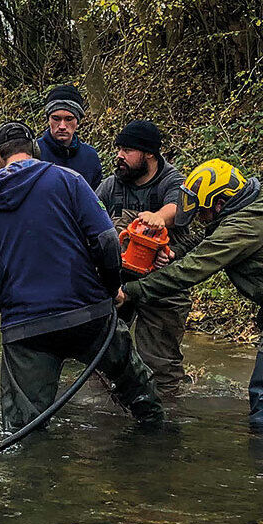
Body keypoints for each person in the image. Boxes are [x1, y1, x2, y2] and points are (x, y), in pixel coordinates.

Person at [120, 159, 263, 429]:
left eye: (203, 211)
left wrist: (130, 291)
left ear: (220, 202)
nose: (199, 216)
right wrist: (172, 255)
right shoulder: (257, 208)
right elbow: (205, 244)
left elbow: (195, 269)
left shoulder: (244, 224)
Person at [0, 121, 164, 432]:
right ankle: (159, 449)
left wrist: (13, 302)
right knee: (138, 390)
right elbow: (106, 241)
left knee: (25, 429)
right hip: (87, 311)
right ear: (35, 150)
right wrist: (111, 286)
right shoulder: (68, 179)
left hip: (25, 328)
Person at [94, 120, 195, 396]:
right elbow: (88, 217)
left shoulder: (173, 181)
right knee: (103, 358)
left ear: (149, 153)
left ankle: (163, 425)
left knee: (161, 367)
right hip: (117, 280)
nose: (119, 156)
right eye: (119, 149)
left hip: (163, 283)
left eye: (127, 150)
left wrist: (158, 218)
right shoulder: (111, 185)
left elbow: (178, 208)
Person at [33, 84, 103, 188]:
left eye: (69, 119)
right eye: (56, 119)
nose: (62, 126)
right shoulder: (33, 154)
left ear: (77, 121)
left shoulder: (90, 157)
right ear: (48, 120)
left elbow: (96, 199)